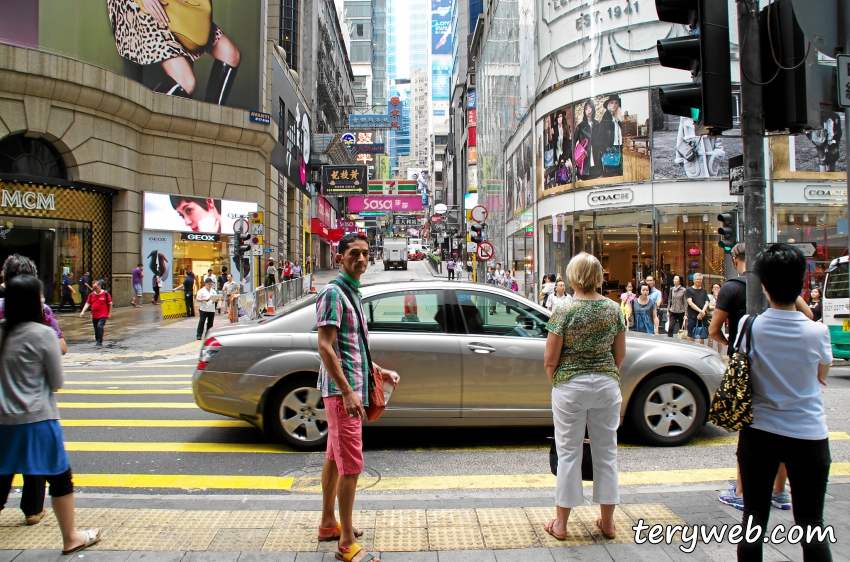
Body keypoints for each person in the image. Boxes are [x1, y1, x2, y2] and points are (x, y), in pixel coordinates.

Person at [734, 244, 833, 560]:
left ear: (763, 286)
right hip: (808, 436)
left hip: (759, 434)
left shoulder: (749, 326)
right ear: (803, 285)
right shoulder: (818, 332)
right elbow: (821, 375)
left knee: (752, 522)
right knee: (811, 527)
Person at [0, 275, 102, 554]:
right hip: (39, 420)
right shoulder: (43, 333)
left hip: (3, 421)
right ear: (35, 301)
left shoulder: (1, 332)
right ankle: (70, 538)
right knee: (59, 478)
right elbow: (56, 382)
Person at [316, 233, 399, 562]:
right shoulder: (334, 293)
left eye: (365, 253)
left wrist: (381, 370)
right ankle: (347, 542)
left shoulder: (352, 292)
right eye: (354, 253)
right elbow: (325, 347)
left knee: (335, 459)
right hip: (342, 393)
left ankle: (328, 523)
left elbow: (352, 348)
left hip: (346, 389)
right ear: (339, 258)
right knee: (351, 465)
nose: (361, 259)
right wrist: (349, 392)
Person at [543, 253, 626, 542]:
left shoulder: (564, 310)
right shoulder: (613, 310)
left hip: (570, 387)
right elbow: (620, 354)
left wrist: (560, 383)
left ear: (573, 276)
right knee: (606, 454)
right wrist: (606, 376)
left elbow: (550, 359)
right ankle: (608, 523)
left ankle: (562, 525)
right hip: (606, 385)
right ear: (599, 276)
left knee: (568, 454)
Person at [0, 255, 67, 525]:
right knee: (41, 463)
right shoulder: (42, 314)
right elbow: (59, 359)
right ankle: (33, 510)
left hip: (3, 407)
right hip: (37, 409)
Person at [108, 0, 241, 104]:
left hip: (173, 5)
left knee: (230, 54)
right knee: (186, 81)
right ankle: (143, 122)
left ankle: (211, 124)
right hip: (138, 6)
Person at [573, 99, 603, 180]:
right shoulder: (580, 126)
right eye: (586, 109)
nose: (588, 111)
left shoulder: (597, 124)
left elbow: (601, 141)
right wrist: (574, 158)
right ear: (584, 111)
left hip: (596, 164)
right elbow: (572, 142)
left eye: (590, 108)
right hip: (584, 164)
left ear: (593, 109)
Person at [79, 281, 113, 348]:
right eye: (93, 288)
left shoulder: (105, 294)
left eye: (96, 288)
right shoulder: (91, 295)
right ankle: (98, 340)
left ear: (100, 286)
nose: (95, 290)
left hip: (103, 314)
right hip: (94, 315)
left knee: (99, 326)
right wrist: (82, 312)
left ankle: (99, 342)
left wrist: (109, 313)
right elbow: (87, 304)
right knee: (96, 328)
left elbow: (110, 303)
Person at [599, 94, 624, 177]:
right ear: (608, 105)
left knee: (620, 174)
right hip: (611, 150)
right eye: (612, 103)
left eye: (616, 103)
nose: (614, 105)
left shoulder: (618, 120)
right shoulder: (604, 121)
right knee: (610, 175)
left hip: (620, 150)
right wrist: (607, 149)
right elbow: (600, 140)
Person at [685, 273, 708, 343]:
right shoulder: (689, 290)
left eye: (700, 280)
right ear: (694, 280)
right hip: (692, 316)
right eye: (697, 279)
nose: (699, 281)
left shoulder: (704, 290)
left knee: (702, 335)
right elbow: (690, 303)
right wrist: (700, 311)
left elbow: (707, 302)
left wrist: (702, 312)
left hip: (703, 316)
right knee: (691, 335)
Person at [706, 282, 721, 351]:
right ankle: (710, 351)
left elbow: (722, 307)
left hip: (720, 318)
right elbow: (709, 307)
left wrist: (717, 296)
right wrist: (717, 307)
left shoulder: (722, 297)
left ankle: (719, 353)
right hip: (710, 318)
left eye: (717, 288)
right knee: (710, 336)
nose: (716, 289)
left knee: (720, 336)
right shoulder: (709, 296)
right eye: (714, 288)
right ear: (712, 289)